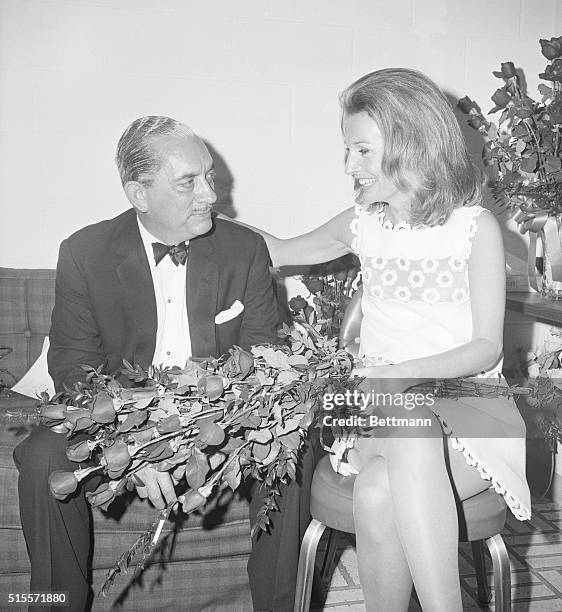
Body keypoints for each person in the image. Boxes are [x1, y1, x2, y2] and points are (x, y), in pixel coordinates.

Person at [221, 69, 531, 611]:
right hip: (378, 405)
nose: (349, 165)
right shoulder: (361, 223)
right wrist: (210, 222)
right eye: (347, 150)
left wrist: (398, 375)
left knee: (377, 489)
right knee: (406, 431)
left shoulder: (476, 229)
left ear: (411, 145)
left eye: (363, 150)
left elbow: (486, 348)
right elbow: (278, 251)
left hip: (470, 404)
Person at [13, 116, 319, 612]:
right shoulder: (84, 253)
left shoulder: (244, 249)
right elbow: (72, 364)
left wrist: (220, 434)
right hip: (121, 418)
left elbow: (267, 360)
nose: (209, 195)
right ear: (140, 193)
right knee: (41, 458)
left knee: (295, 448)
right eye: (188, 182)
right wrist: (128, 443)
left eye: (209, 177)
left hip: (222, 417)